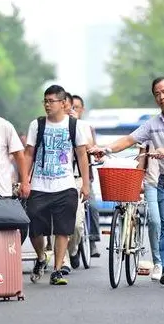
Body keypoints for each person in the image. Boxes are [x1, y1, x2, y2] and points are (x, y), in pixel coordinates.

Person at [90, 77, 164, 287]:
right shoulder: (152, 125)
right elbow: (128, 140)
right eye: (157, 94)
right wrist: (105, 148)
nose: (161, 97)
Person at [25, 85, 90, 286]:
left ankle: (58, 269)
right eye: (45, 101)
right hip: (39, 185)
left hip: (66, 184)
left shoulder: (74, 125)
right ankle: (41, 257)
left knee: (63, 229)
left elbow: (81, 154)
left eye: (51, 101)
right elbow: (29, 153)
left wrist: (85, 184)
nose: (47, 105)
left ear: (63, 103)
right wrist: (24, 180)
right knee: (35, 228)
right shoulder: (37, 125)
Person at [72, 95, 101, 258]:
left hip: (85, 176)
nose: (73, 110)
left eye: (77, 107)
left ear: (82, 109)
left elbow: (92, 148)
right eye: (71, 107)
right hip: (68, 176)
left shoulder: (86, 126)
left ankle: (93, 241)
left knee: (93, 206)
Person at [138, 141, 162, 280]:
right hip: (151, 184)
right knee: (154, 221)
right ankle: (158, 262)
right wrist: (137, 183)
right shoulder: (148, 132)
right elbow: (141, 161)